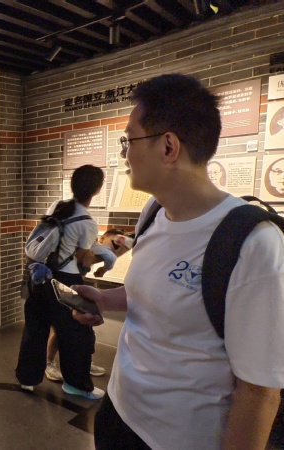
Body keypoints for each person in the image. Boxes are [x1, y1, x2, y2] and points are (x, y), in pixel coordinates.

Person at [73, 74, 284, 450]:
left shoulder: (253, 243)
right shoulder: (153, 212)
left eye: (129, 141)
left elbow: (259, 391)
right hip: (118, 412)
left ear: (168, 147)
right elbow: (151, 294)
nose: (125, 155)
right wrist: (103, 300)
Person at [15, 164, 104, 400]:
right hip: (66, 280)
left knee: (35, 328)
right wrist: (106, 254)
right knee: (75, 333)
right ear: (97, 190)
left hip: (39, 276)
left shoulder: (57, 206)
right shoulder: (88, 223)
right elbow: (83, 259)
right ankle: (76, 384)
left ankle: (27, 379)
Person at [45, 229, 132, 382]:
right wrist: (101, 269)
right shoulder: (96, 249)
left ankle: (84, 363)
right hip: (63, 292)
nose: (117, 247)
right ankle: (49, 363)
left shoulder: (96, 251)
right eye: (116, 242)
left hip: (75, 292)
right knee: (60, 330)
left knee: (84, 331)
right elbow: (108, 258)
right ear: (103, 238)